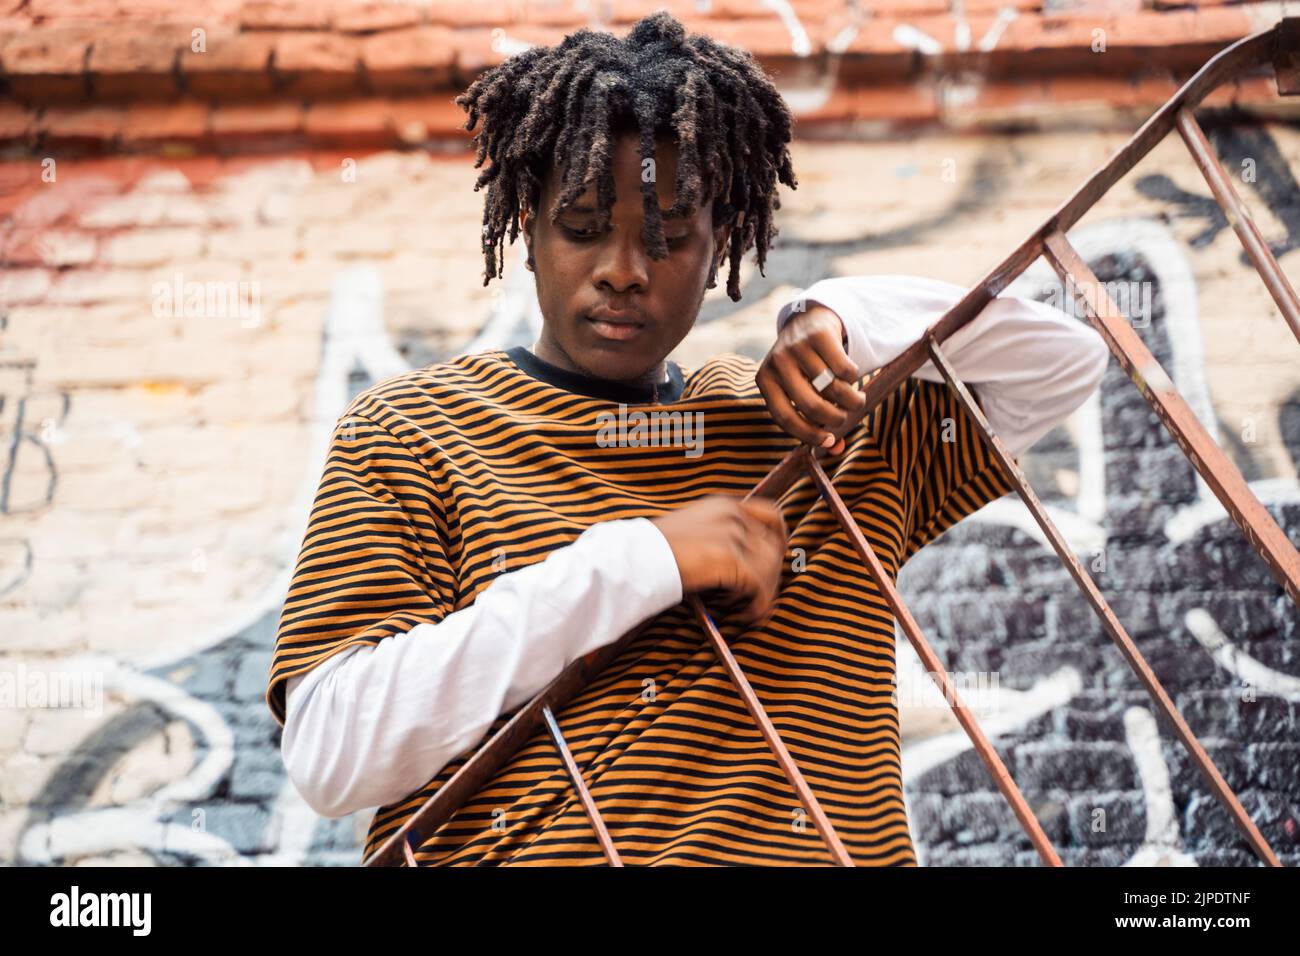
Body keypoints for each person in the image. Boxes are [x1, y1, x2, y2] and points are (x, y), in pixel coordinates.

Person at [265, 12, 1109, 866]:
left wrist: (848, 313)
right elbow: (334, 754)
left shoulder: (812, 427)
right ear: (527, 225)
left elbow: (1065, 361)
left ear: (725, 240)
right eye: (583, 225)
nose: (624, 268)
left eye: (667, 235)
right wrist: (646, 560)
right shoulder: (413, 429)